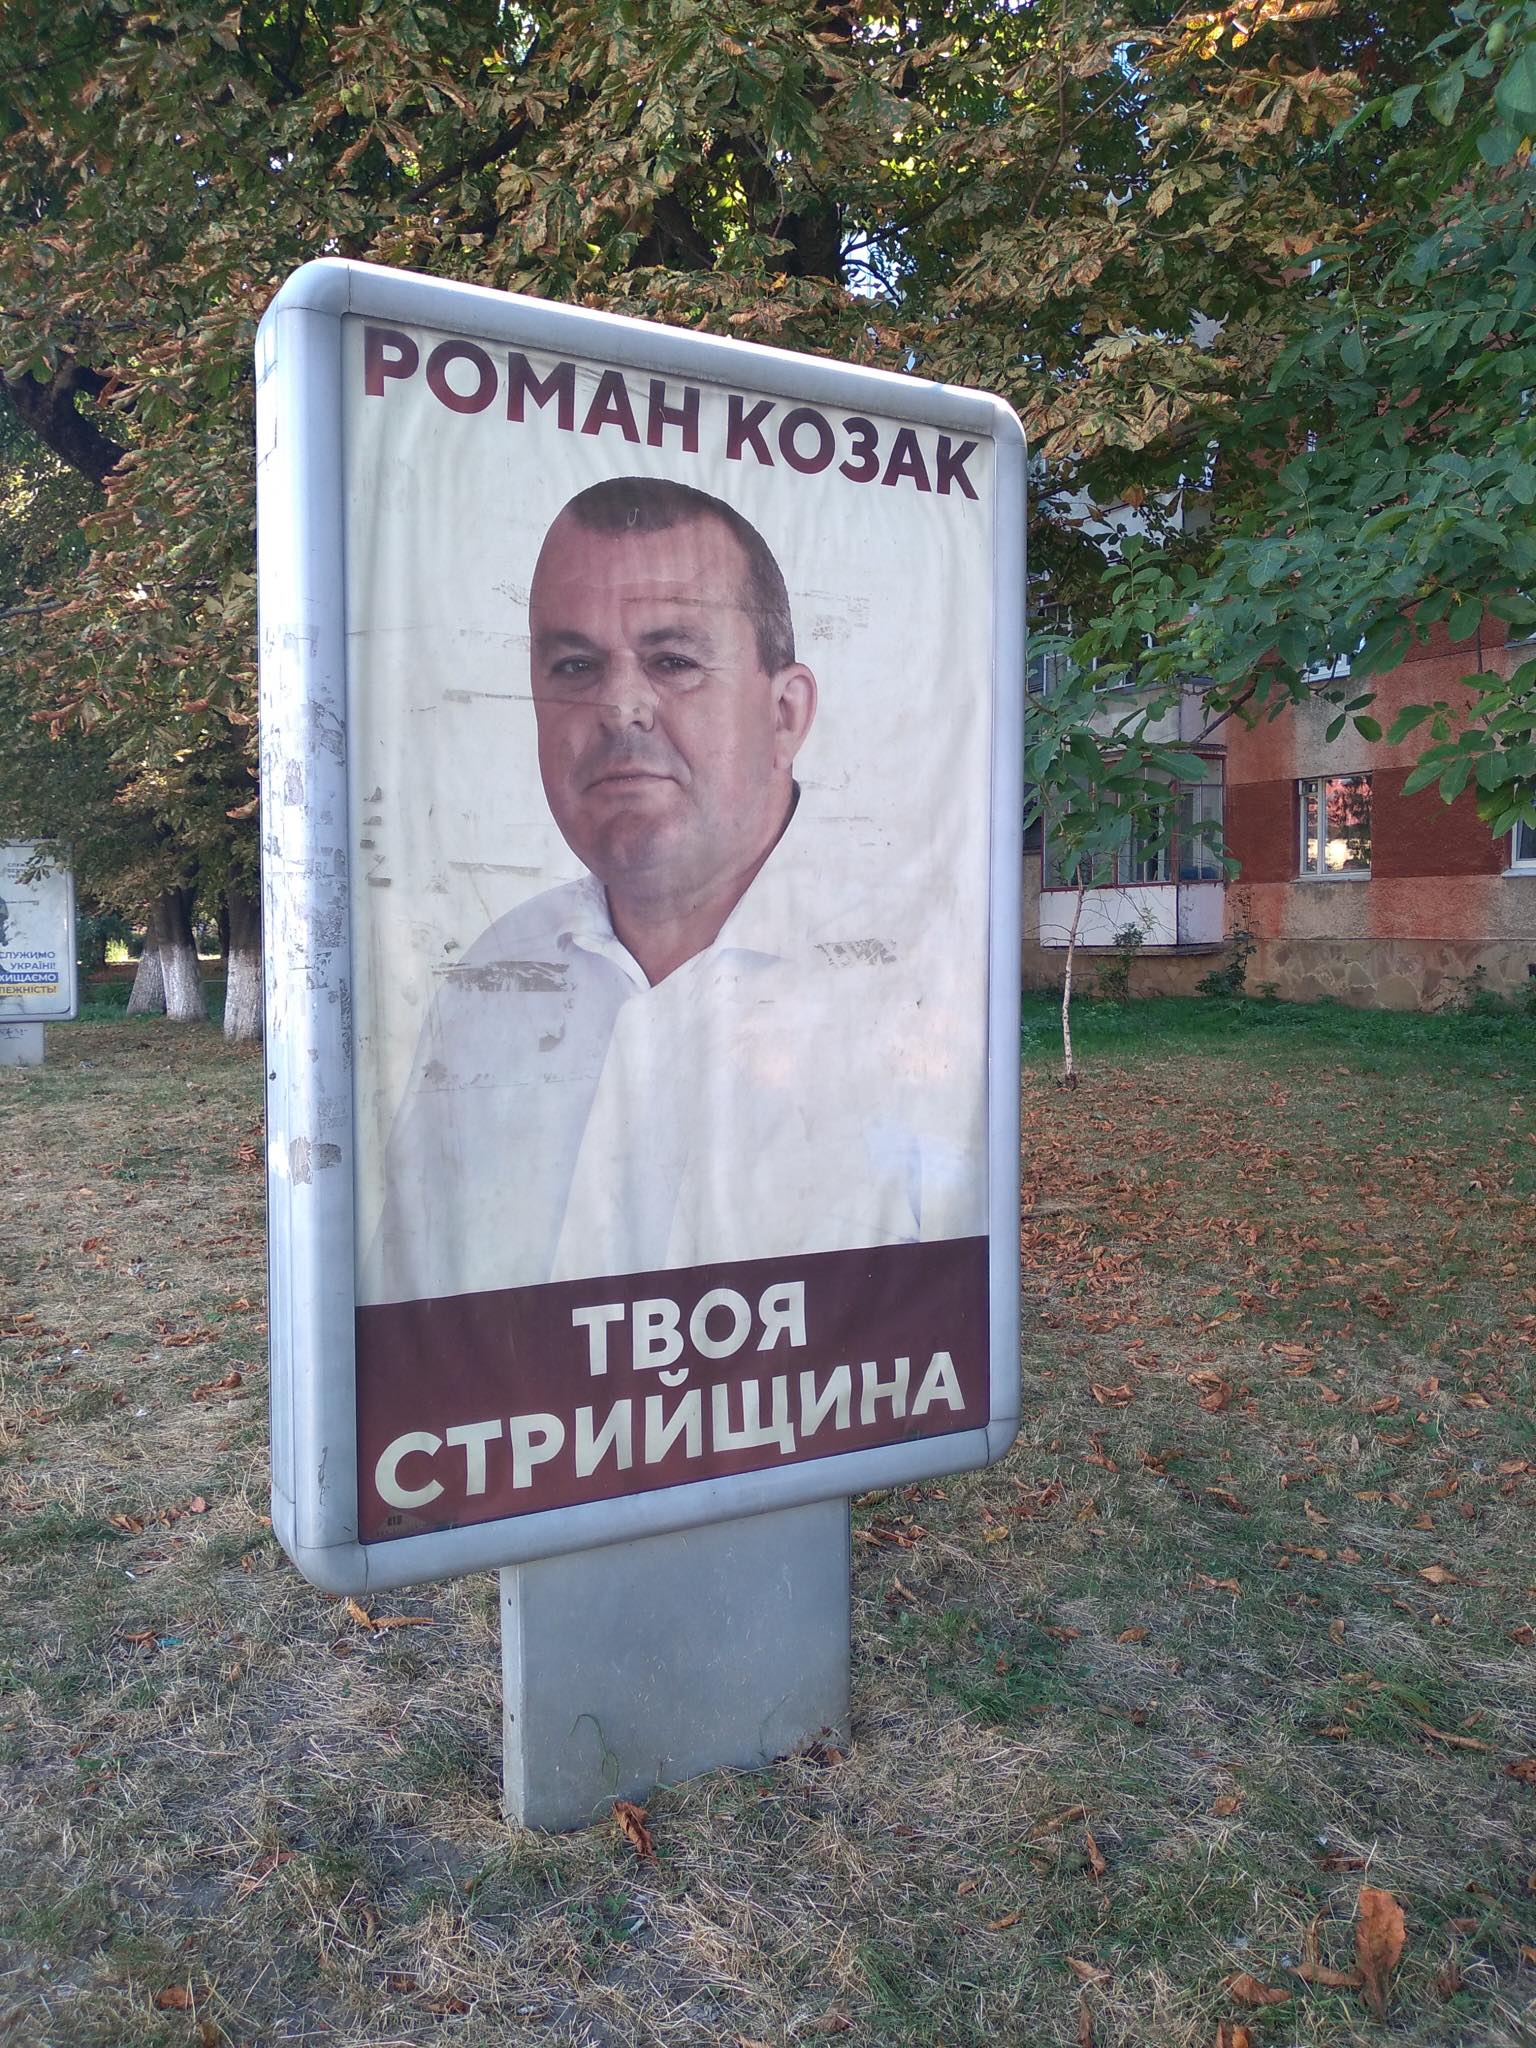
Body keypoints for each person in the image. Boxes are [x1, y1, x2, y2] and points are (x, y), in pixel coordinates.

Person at [361, 476, 984, 1306]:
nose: (620, 706)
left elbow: (945, 1340)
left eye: (673, 661)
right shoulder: (492, 982)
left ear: (786, 713)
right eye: (575, 665)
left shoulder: (924, 986)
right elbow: (412, 1310)